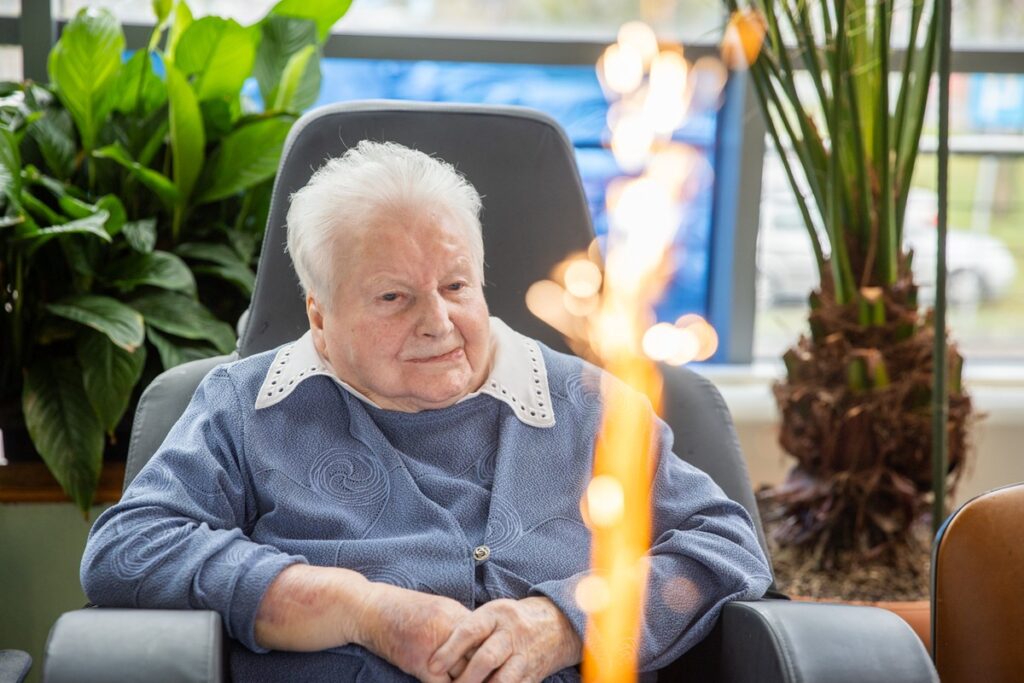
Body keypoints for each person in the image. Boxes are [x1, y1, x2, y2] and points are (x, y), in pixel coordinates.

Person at [81, 141, 772, 682]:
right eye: (393, 297)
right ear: (319, 316)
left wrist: (563, 622)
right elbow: (128, 548)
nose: (438, 321)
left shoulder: (587, 404)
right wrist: (359, 610)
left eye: (455, 285)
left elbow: (726, 544)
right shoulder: (248, 408)